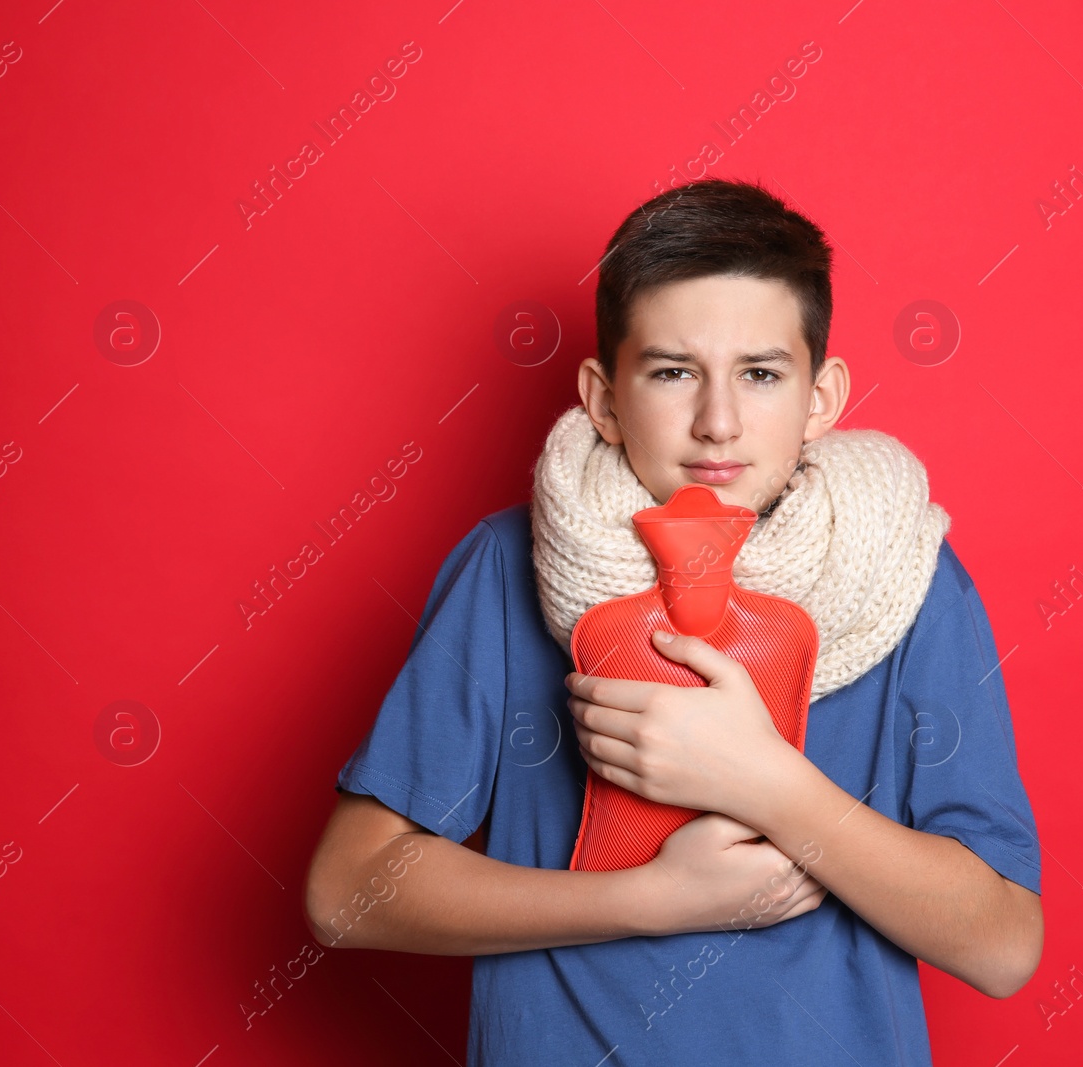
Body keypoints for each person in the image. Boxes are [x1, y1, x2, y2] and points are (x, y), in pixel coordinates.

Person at [304, 177, 1043, 1064]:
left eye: (761, 374)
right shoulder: (509, 566)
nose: (718, 423)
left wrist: (766, 780)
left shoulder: (912, 578)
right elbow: (345, 890)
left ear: (821, 397)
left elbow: (1002, 948)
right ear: (605, 396)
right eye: (671, 372)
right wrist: (652, 900)